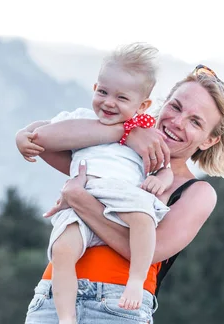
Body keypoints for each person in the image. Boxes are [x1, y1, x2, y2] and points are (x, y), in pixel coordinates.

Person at [21, 63, 224, 323]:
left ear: (209, 140)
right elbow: (38, 138)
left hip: (119, 305)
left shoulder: (196, 192)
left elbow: (148, 251)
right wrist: (122, 133)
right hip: (54, 300)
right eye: (175, 107)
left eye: (195, 122)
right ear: (161, 103)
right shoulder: (113, 155)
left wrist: (81, 201)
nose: (177, 122)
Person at [16, 43, 174, 323]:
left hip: (121, 197)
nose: (109, 102)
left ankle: (135, 281)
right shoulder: (81, 119)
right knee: (63, 251)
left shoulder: (147, 133)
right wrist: (22, 135)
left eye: (122, 98)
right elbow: (44, 132)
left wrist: (159, 181)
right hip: (83, 194)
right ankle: (65, 317)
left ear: (143, 106)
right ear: (94, 87)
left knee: (143, 218)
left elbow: (165, 168)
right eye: (102, 92)